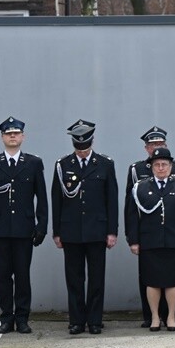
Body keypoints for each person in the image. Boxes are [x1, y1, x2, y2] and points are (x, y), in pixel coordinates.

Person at [0, 117, 48, 334]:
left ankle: (22, 318)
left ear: (23, 137)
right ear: (2, 137)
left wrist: (42, 226)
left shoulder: (33, 163)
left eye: (16, 133)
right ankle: (6, 317)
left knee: (22, 275)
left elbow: (42, 198)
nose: (12, 136)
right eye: (8, 133)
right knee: (3, 275)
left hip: (24, 228)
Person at [51, 120, 118, 335]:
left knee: (97, 278)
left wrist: (112, 231)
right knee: (74, 278)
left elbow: (112, 200)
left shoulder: (105, 164)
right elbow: (57, 200)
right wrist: (57, 232)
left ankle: (95, 321)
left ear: (91, 141)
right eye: (78, 147)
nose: (82, 151)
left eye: (85, 146)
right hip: (71, 231)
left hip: (97, 231)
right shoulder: (62, 165)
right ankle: (76, 321)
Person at [126, 147, 175, 331]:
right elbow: (132, 215)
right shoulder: (140, 187)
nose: (161, 168)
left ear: (171, 166)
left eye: (164, 164)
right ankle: (155, 318)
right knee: (152, 281)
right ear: (151, 167)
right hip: (150, 242)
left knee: (173, 281)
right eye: (157, 165)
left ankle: (172, 317)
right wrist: (133, 241)